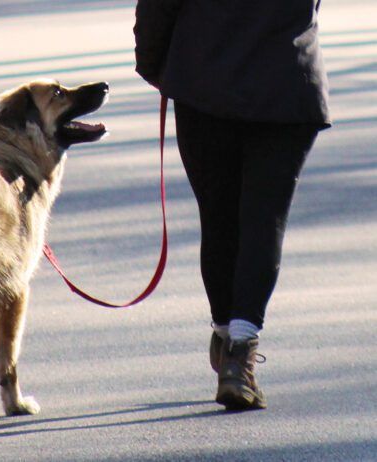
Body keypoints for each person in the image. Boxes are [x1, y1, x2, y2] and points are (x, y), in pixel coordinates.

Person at [133, 0, 330, 411]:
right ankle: (239, 350)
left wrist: (157, 64)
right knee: (265, 220)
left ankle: (227, 337)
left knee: (219, 218)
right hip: (287, 79)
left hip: (205, 79)